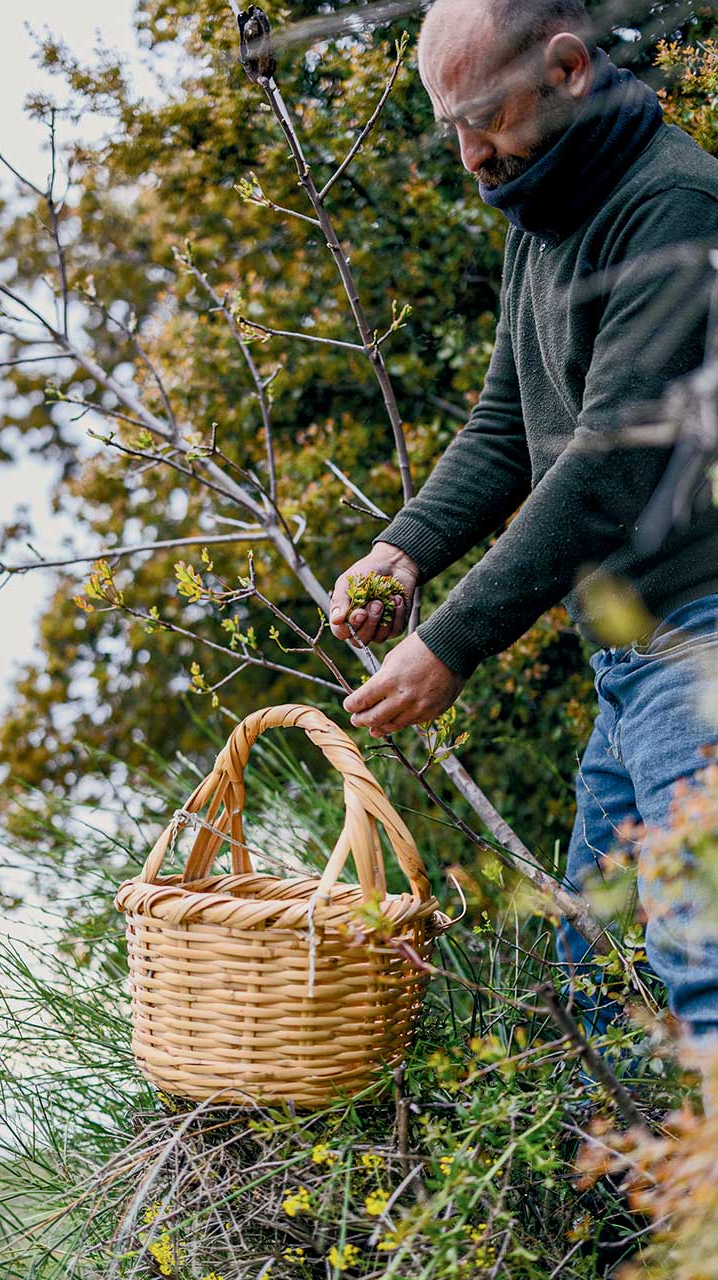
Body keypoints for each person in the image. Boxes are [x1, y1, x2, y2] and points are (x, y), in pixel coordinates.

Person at [328, 0, 718, 1036]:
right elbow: (508, 420)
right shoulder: (543, 207)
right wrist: (402, 547)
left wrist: (450, 642)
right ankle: (649, 1199)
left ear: (568, 68)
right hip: (634, 663)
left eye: (484, 117)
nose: (468, 154)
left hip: (702, 643)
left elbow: (607, 468)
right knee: (599, 974)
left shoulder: (674, 203)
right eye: (450, 126)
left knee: (701, 967)